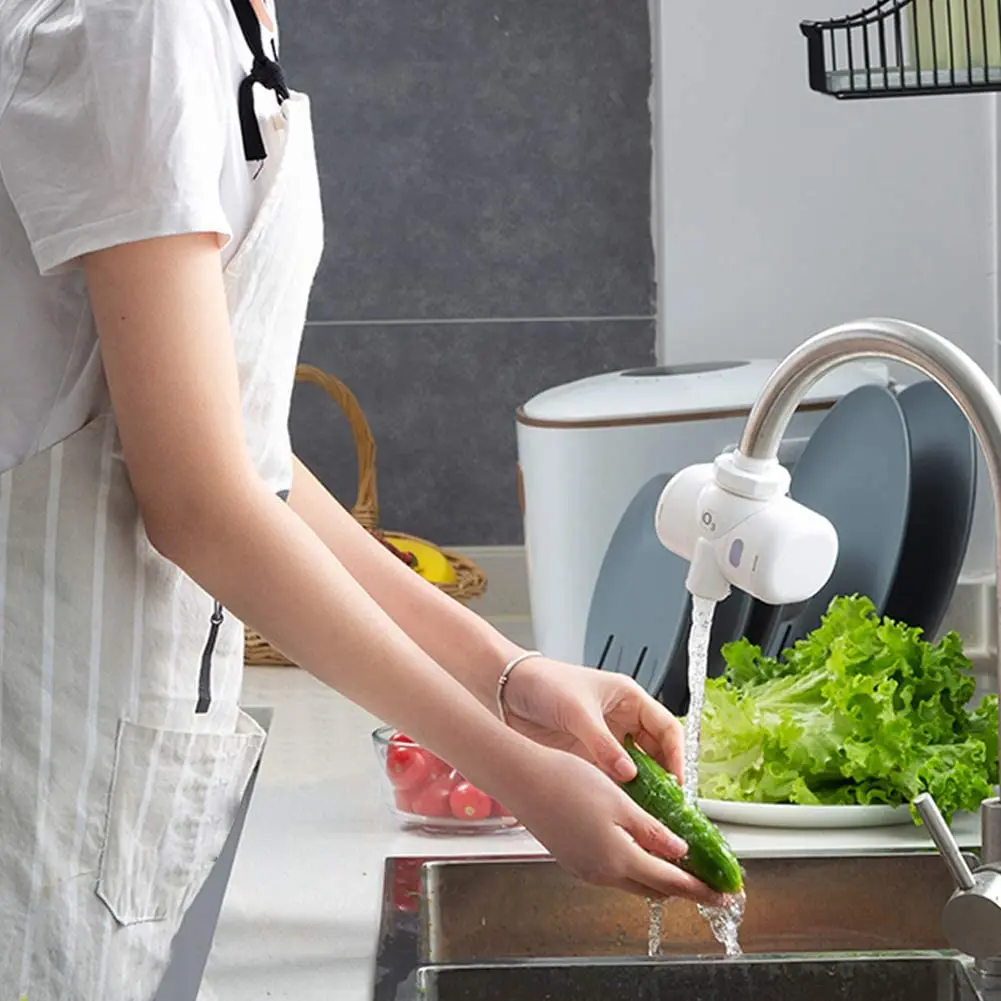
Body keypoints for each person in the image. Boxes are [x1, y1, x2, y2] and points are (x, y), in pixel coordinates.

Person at [0, 0, 720, 996]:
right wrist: (515, 769)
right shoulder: (142, 19)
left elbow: (255, 466)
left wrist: (508, 677)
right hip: (42, 753)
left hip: (110, 748)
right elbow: (200, 501)